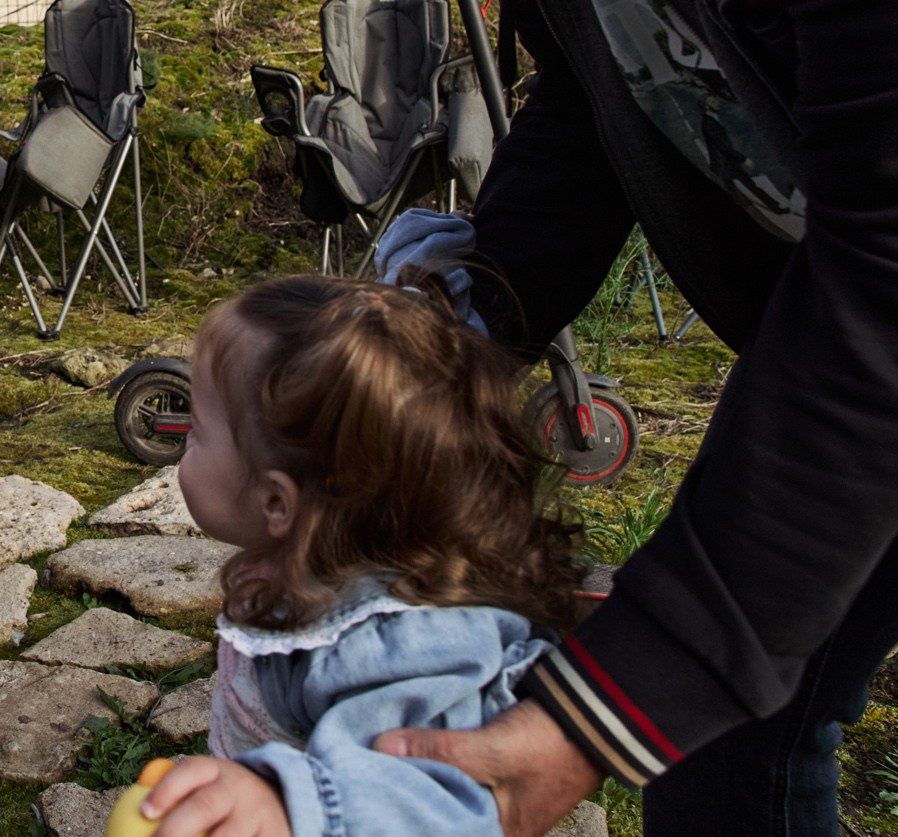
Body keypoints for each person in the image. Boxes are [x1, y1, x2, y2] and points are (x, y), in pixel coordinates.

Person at [158, 0, 898, 830]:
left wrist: (610, 702)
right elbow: (601, 83)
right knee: (721, 750)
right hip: (877, 353)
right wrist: (464, 318)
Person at [136, 272, 582, 836]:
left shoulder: (388, 646)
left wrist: (295, 803)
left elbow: (431, 801)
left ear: (277, 501)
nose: (184, 443)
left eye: (196, 431)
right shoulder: (314, 575)